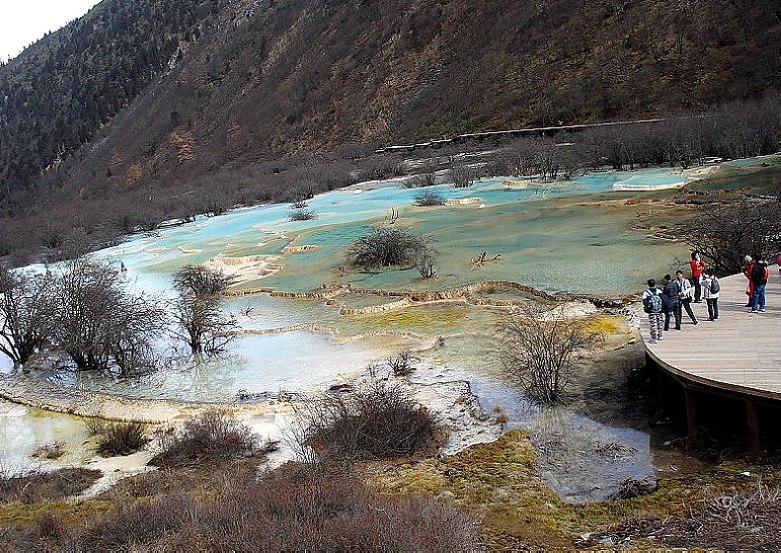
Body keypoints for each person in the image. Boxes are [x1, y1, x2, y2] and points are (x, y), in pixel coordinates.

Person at [642, 278, 664, 343]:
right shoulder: (659, 291)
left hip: (651, 311)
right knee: (660, 323)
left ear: (648, 285)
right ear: (654, 284)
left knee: (653, 324)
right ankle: (660, 335)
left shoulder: (646, 292)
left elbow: (644, 302)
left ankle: (653, 338)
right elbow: (663, 299)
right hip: (659, 310)